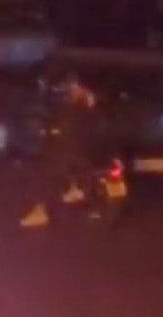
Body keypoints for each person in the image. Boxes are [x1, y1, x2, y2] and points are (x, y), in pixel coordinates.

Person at [20, 73, 102, 229]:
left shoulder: (74, 110)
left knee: (42, 174)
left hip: (72, 155)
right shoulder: (90, 112)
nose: (71, 90)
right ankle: (80, 196)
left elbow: (65, 134)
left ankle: (41, 211)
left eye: (74, 87)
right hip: (83, 155)